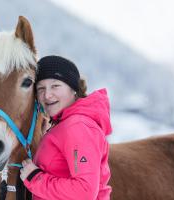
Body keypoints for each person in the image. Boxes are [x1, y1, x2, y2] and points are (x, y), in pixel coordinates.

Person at [20, 55, 112, 200]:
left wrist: (35, 178)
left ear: (73, 89)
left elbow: (85, 191)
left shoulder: (78, 126)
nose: (47, 95)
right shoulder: (65, 124)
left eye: (55, 86)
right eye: (41, 88)